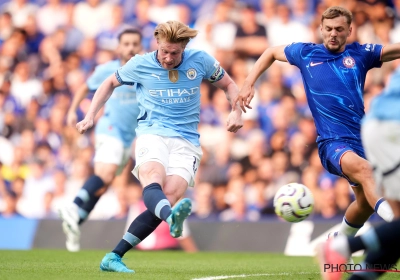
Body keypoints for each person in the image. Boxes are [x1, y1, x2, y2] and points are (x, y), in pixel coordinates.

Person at [76, 20, 243, 273]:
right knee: (153, 178)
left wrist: (236, 111)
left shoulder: (201, 60)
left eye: (174, 53)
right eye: (164, 50)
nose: (167, 57)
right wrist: (90, 115)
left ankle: (113, 256)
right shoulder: (140, 64)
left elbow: (229, 85)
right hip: (151, 134)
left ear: (184, 47)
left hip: (186, 140)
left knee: (170, 197)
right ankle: (171, 217)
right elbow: (109, 82)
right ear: (157, 43)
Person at [234, 5, 397, 253]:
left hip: (362, 139)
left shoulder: (361, 54)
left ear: (349, 31)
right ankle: (396, 227)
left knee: (364, 203)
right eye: (328, 28)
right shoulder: (306, 53)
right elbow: (269, 52)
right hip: (333, 143)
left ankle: (336, 244)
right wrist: (248, 83)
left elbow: (393, 50)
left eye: (339, 29)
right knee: (366, 172)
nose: (333, 33)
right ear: (321, 28)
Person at [57, 29, 143, 252]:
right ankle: (73, 206)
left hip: (128, 137)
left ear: (140, 46)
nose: (131, 48)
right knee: (105, 174)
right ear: (119, 47)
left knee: (103, 185)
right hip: (109, 128)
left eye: (135, 43)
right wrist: (72, 111)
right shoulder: (107, 70)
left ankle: (74, 223)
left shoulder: (145, 69)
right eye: (126, 44)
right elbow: (85, 87)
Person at [317, 64, 400, 280]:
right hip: (391, 128)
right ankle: (343, 245)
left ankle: (344, 249)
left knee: (396, 229)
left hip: (382, 126)